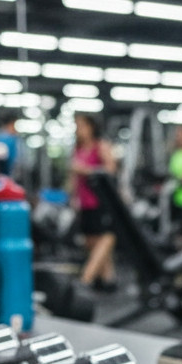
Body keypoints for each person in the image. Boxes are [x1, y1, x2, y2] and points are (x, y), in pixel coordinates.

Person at [70, 112, 117, 289]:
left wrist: (85, 170)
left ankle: (86, 279)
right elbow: (74, 179)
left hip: (101, 201)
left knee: (105, 238)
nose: (78, 130)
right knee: (90, 242)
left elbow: (110, 171)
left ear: (91, 127)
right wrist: (74, 198)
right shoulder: (78, 149)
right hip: (85, 201)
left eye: (81, 125)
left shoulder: (101, 146)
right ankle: (108, 279)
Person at [0, 112, 20, 179]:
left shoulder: (14, 138)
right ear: (10, 124)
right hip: (3, 173)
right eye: (14, 125)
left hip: (11, 172)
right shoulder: (1, 138)